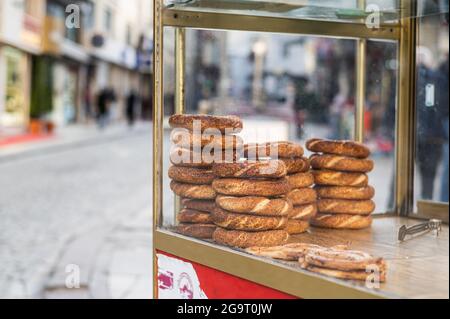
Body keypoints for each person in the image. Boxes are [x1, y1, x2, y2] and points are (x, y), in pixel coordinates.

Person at [416, 48, 446, 200]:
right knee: (429, 172)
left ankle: (425, 199)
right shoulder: (435, 78)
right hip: (430, 134)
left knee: (426, 171)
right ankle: (426, 199)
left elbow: (431, 106)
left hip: (425, 134)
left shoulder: (432, 79)